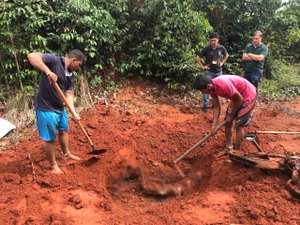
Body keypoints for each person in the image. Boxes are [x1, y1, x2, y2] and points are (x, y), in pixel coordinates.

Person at [28, 50, 85, 174]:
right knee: (50, 139)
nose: (78, 68)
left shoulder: (71, 75)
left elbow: (69, 94)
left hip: (60, 108)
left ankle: (66, 154)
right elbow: (32, 56)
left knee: (64, 130)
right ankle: (53, 165)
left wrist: (73, 112)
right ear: (74, 60)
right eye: (79, 64)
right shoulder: (54, 61)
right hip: (46, 108)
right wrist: (48, 71)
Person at [193, 75, 256, 153]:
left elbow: (239, 99)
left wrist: (231, 115)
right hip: (236, 97)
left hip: (248, 95)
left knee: (239, 125)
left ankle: (237, 151)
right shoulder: (211, 88)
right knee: (227, 122)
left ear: (208, 86)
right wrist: (214, 125)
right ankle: (229, 147)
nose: (202, 92)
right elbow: (216, 106)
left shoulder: (222, 85)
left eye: (202, 90)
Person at [196, 32, 229, 112]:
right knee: (205, 88)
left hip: (218, 72)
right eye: (211, 40)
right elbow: (198, 57)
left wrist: (222, 63)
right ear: (210, 41)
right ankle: (205, 106)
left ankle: (215, 105)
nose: (213, 42)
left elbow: (226, 55)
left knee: (217, 88)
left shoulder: (221, 48)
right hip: (209, 72)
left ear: (218, 40)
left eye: (215, 40)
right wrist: (202, 66)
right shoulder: (206, 48)